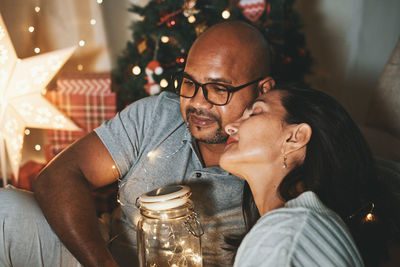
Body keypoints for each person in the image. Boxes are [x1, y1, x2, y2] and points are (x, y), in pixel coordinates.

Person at [0, 21, 275, 266]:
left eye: (219, 90)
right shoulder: (155, 116)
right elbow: (58, 176)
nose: (197, 103)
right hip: (106, 256)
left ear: (263, 90)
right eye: (189, 83)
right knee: (6, 208)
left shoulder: (280, 148)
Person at [219, 85, 399, 266]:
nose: (229, 127)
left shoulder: (285, 236)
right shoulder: (302, 227)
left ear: (295, 137)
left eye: (254, 113)